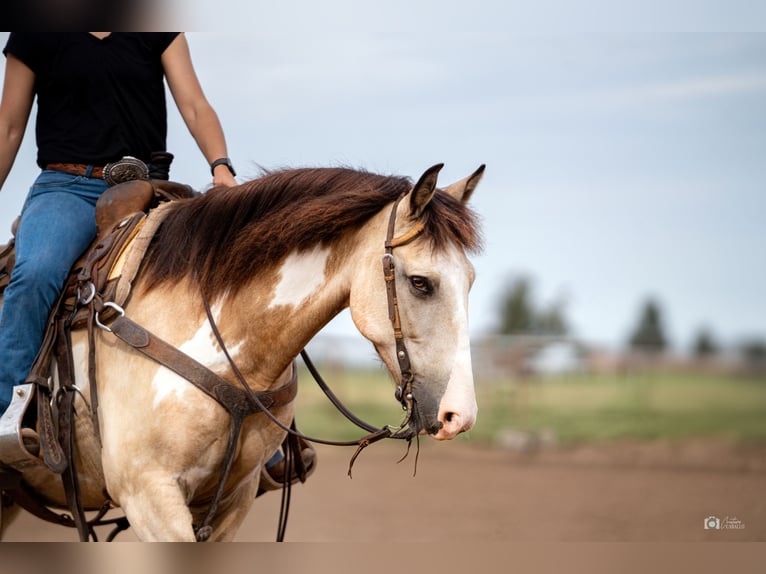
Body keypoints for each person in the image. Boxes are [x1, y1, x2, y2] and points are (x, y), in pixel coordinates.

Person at [0, 32, 313, 487]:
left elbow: (194, 105)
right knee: (36, 274)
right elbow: (9, 127)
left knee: (218, 271)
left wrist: (221, 168)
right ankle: (9, 414)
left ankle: (263, 433)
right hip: (68, 186)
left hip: (148, 187)